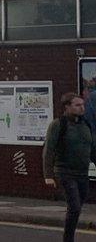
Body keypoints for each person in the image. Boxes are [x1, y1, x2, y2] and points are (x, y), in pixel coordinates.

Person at [44, 92, 96, 242]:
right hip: (64, 173)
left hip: (82, 174)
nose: (82, 108)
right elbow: (49, 150)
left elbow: (91, 149)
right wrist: (48, 175)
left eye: (83, 105)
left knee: (77, 207)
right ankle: (68, 239)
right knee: (74, 207)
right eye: (77, 105)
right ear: (67, 107)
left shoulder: (85, 125)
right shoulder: (58, 124)